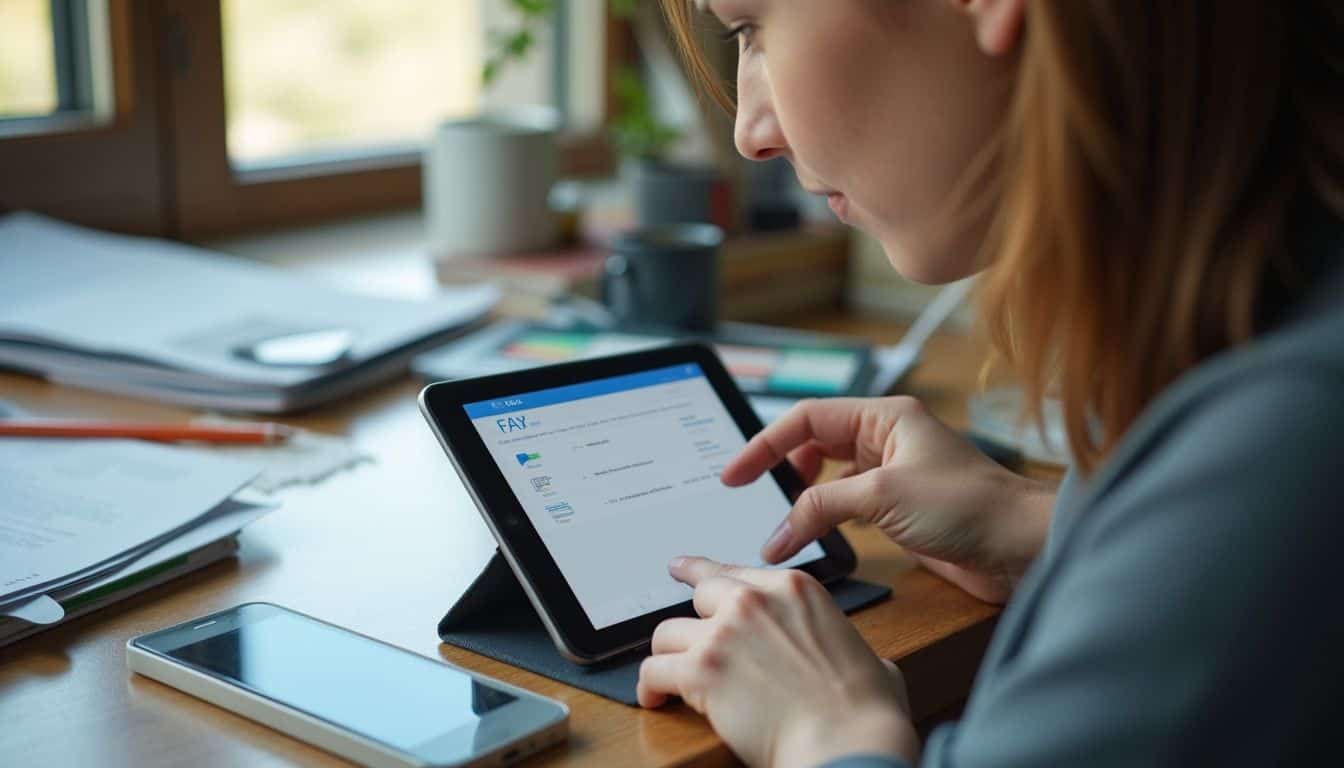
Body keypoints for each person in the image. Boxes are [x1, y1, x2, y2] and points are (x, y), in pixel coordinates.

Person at [635, 1, 1344, 766]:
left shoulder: (1290, 434)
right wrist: (1050, 528)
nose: (750, 131)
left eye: (753, 30)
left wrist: (826, 733)